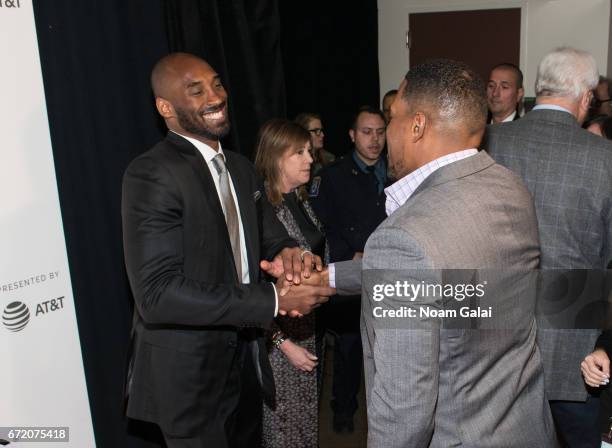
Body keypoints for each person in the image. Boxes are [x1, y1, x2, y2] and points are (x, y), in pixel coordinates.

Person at [331, 59, 556, 446]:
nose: (388, 133)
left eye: (393, 116)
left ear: (416, 125)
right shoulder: (511, 188)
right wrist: (329, 278)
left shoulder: (402, 236)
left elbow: (404, 412)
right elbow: (459, 292)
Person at [121, 52, 334, 448]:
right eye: (195, 89)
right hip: (188, 375)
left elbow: (271, 236)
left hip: (246, 360)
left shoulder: (238, 166)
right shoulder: (152, 173)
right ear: (165, 107)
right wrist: (273, 299)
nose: (215, 96)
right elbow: (157, 295)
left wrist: (291, 253)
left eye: (217, 83)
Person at [485, 47, 612, 447]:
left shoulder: (488, 143)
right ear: (586, 97)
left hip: (493, 334)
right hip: (576, 342)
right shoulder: (605, 157)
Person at [310, 105, 387, 433]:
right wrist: (347, 254)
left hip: (388, 275)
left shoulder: (396, 170)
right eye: (367, 132)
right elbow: (321, 227)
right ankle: (343, 411)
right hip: (350, 276)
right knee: (349, 348)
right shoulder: (332, 176)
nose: (375, 139)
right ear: (353, 135)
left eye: (380, 132)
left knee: (387, 350)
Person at [254, 119, 329, 448]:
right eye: (299, 152)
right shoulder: (263, 211)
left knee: (306, 423)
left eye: (310, 152)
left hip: (311, 330)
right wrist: (284, 343)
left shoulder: (301, 201)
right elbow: (254, 291)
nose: (310, 159)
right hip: (280, 343)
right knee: (285, 430)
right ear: (275, 157)